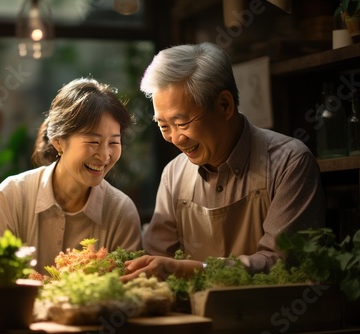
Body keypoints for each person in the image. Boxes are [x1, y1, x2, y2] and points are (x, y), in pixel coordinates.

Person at [121, 42, 325, 282]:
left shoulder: (290, 162)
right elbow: (155, 259)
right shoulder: (174, 174)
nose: (175, 138)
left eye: (183, 123)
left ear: (225, 105)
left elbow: (282, 264)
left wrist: (190, 270)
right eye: (164, 126)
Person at [0, 77, 142, 274]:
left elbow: (126, 292)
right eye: (93, 141)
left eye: (113, 143)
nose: (104, 155)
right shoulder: (11, 197)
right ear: (58, 141)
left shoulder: (121, 213)